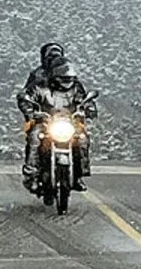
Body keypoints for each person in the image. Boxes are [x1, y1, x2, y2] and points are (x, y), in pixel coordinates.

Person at [18, 49, 96, 192]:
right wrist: (32, 111)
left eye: (68, 77)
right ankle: (32, 174)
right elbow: (26, 98)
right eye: (62, 77)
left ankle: (78, 174)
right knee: (34, 138)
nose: (66, 80)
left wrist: (88, 109)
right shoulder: (40, 86)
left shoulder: (76, 87)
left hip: (69, 122)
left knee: (83, 139)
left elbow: (84, 100)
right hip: (45, 122)